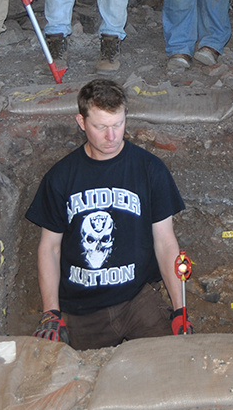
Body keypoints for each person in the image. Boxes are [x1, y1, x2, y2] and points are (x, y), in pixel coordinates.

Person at [26, 79, 190, 350]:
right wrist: (51, 313)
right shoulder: (61, 178)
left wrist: (179, 310)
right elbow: (50, 248)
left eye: (118, 124)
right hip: (82, 310)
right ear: (81, 122)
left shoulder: (150, 170)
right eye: (101, 127)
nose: (112, 136)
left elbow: (164, 241)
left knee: (174, 359)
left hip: (138, 299)